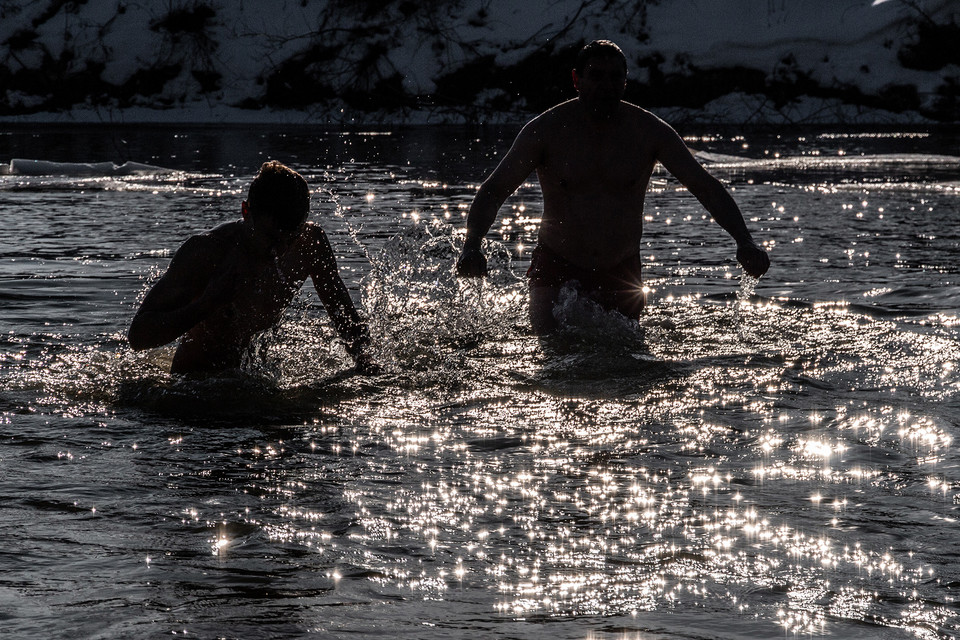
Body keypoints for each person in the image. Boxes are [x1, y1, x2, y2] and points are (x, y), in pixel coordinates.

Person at [456, 40, 770, 333]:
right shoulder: (545, 131)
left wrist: (745, 241)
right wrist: (472, 244)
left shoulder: (649, 132)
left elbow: (705, 186)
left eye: (614, 77)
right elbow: (495, 189)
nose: (605, 86)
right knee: (552, 356)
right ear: (577, 80)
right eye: (596, 76)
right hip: (557, 264)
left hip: (621, 269)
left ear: (625, 82)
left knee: (624, 366)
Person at [128, 160, 375, 374]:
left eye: (290, 238)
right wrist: (206, 304)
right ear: (246, 212)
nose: (278, 251)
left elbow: (344, 316)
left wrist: (367, 364)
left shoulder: (309, 244)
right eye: (270, 237)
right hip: (195, 392)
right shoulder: (208, 252)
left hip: (255, 384)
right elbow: (138, 336)